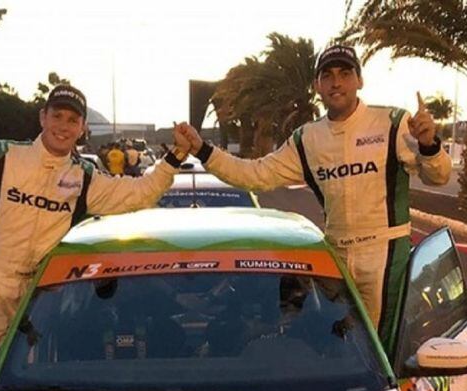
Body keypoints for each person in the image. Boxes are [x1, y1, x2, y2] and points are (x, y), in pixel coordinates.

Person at [176, 44, 450, 334]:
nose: (336, 82)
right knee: (321, 334)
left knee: (379, 343)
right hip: (335, 253)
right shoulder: (307, 138)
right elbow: (254, 174)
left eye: (345, 73)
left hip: (384, 251)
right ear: (317, 85)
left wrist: (429, 145)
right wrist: (203, 150)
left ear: (359, 80)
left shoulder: (393, 123)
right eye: (327, 75)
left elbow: (439, 177)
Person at [0, 84, 187, 343]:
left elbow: (140, 193)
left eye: (73, 120)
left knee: (39, 366)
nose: (63, 126)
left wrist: (174, 159)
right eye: (58, 116)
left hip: (47, 290)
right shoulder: (3, 155)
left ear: (82, 128)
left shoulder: (85, 177)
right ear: (43, 117)